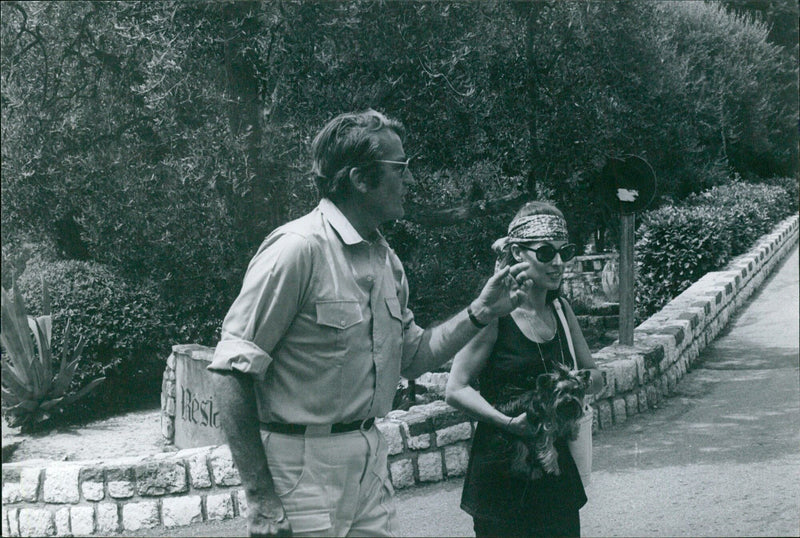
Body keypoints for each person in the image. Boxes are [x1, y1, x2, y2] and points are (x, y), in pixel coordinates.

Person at [208, 109, 532, 537]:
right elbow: (230, 372)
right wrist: (260, 496)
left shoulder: (385, 261)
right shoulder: (297, 249)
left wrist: (481, 312)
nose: (411, 181)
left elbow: (414, 358)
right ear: (360, 179)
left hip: (368, 459)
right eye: (401, 168)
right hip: (297, 468)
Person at [445, 201, 604, 538]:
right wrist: (508, 423)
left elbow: (594, 374)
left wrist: (575, 386)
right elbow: (455, 388)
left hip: (555, 473)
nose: (558, 262)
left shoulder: (561, 310)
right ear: (517, 253)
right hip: (502, 477)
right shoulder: (494, 316)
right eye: (546, 253)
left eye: (565, 252)